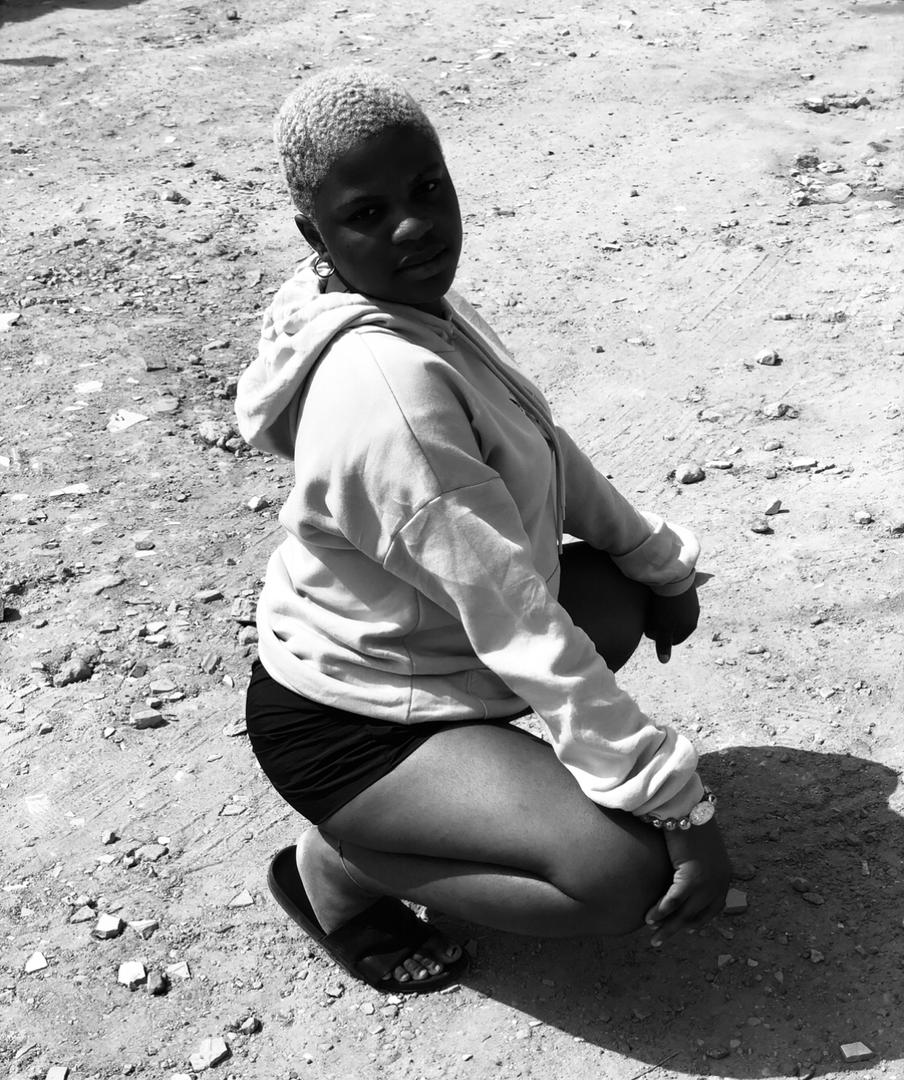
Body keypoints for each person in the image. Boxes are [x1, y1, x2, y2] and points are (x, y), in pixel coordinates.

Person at [235, 69, 731, 994]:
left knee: (617, 594)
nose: (413, 227)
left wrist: (658, 563)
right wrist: (680, 806)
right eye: (367, 213)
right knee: (624, 876)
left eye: (427, 190)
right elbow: (518, 622)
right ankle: (341, 865)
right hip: (348, 724)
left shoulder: (417, 306)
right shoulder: (384, 390)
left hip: (425, 654)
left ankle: (468, 797)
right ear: (315, 235)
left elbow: (545, 449)